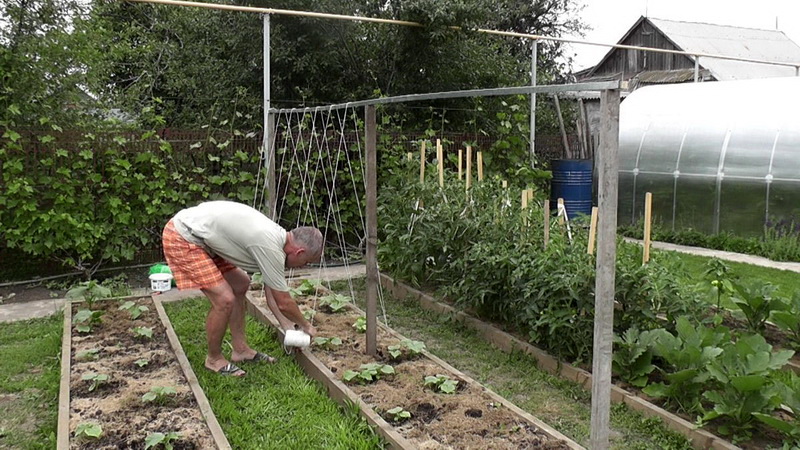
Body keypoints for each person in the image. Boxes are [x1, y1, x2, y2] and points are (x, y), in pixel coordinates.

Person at [161, 200, 323, 377]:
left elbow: (273, 296)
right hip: (183, 236)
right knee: (224, 299)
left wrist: (290, 328)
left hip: (205, 237)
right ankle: (214, 359)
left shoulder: (278, 240)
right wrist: (306, 325)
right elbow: (283, 302)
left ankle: (240, 350)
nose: (302, 266)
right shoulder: (270, 246)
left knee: (240, 284)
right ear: (298, 252)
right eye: (305, 262)